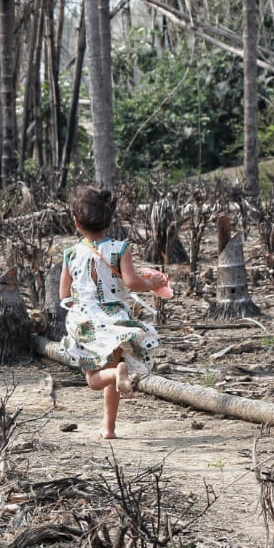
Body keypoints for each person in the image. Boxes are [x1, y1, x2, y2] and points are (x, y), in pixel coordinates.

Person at [60, 186, 169, 439]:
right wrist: (152, 283)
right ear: (109, 221)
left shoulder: (71, 254)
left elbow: (64, 294)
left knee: (94, 379)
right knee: (114, 366)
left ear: (77, 223)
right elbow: (132, 283)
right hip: (116, 318)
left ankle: (116, 375)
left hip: (86, 320)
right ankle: (108, 427)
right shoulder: (120, 248)